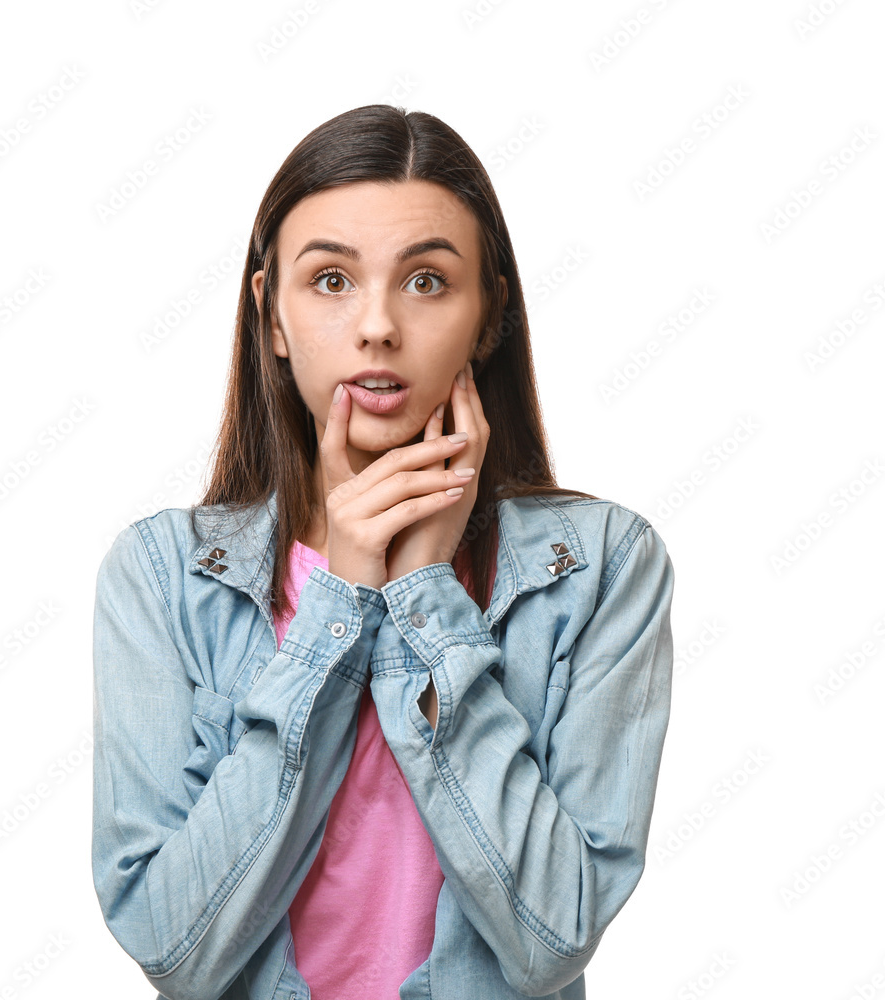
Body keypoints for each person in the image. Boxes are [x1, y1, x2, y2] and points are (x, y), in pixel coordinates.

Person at [91, 104, 675, 1000]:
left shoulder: (600, 568)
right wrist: (344, 598)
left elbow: (553, 936)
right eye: (329, 281)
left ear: (490, 316)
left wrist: (424, 597)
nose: (376, 328)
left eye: (427, 282)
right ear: (270, 316)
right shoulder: (163, 577)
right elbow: (179, 953)